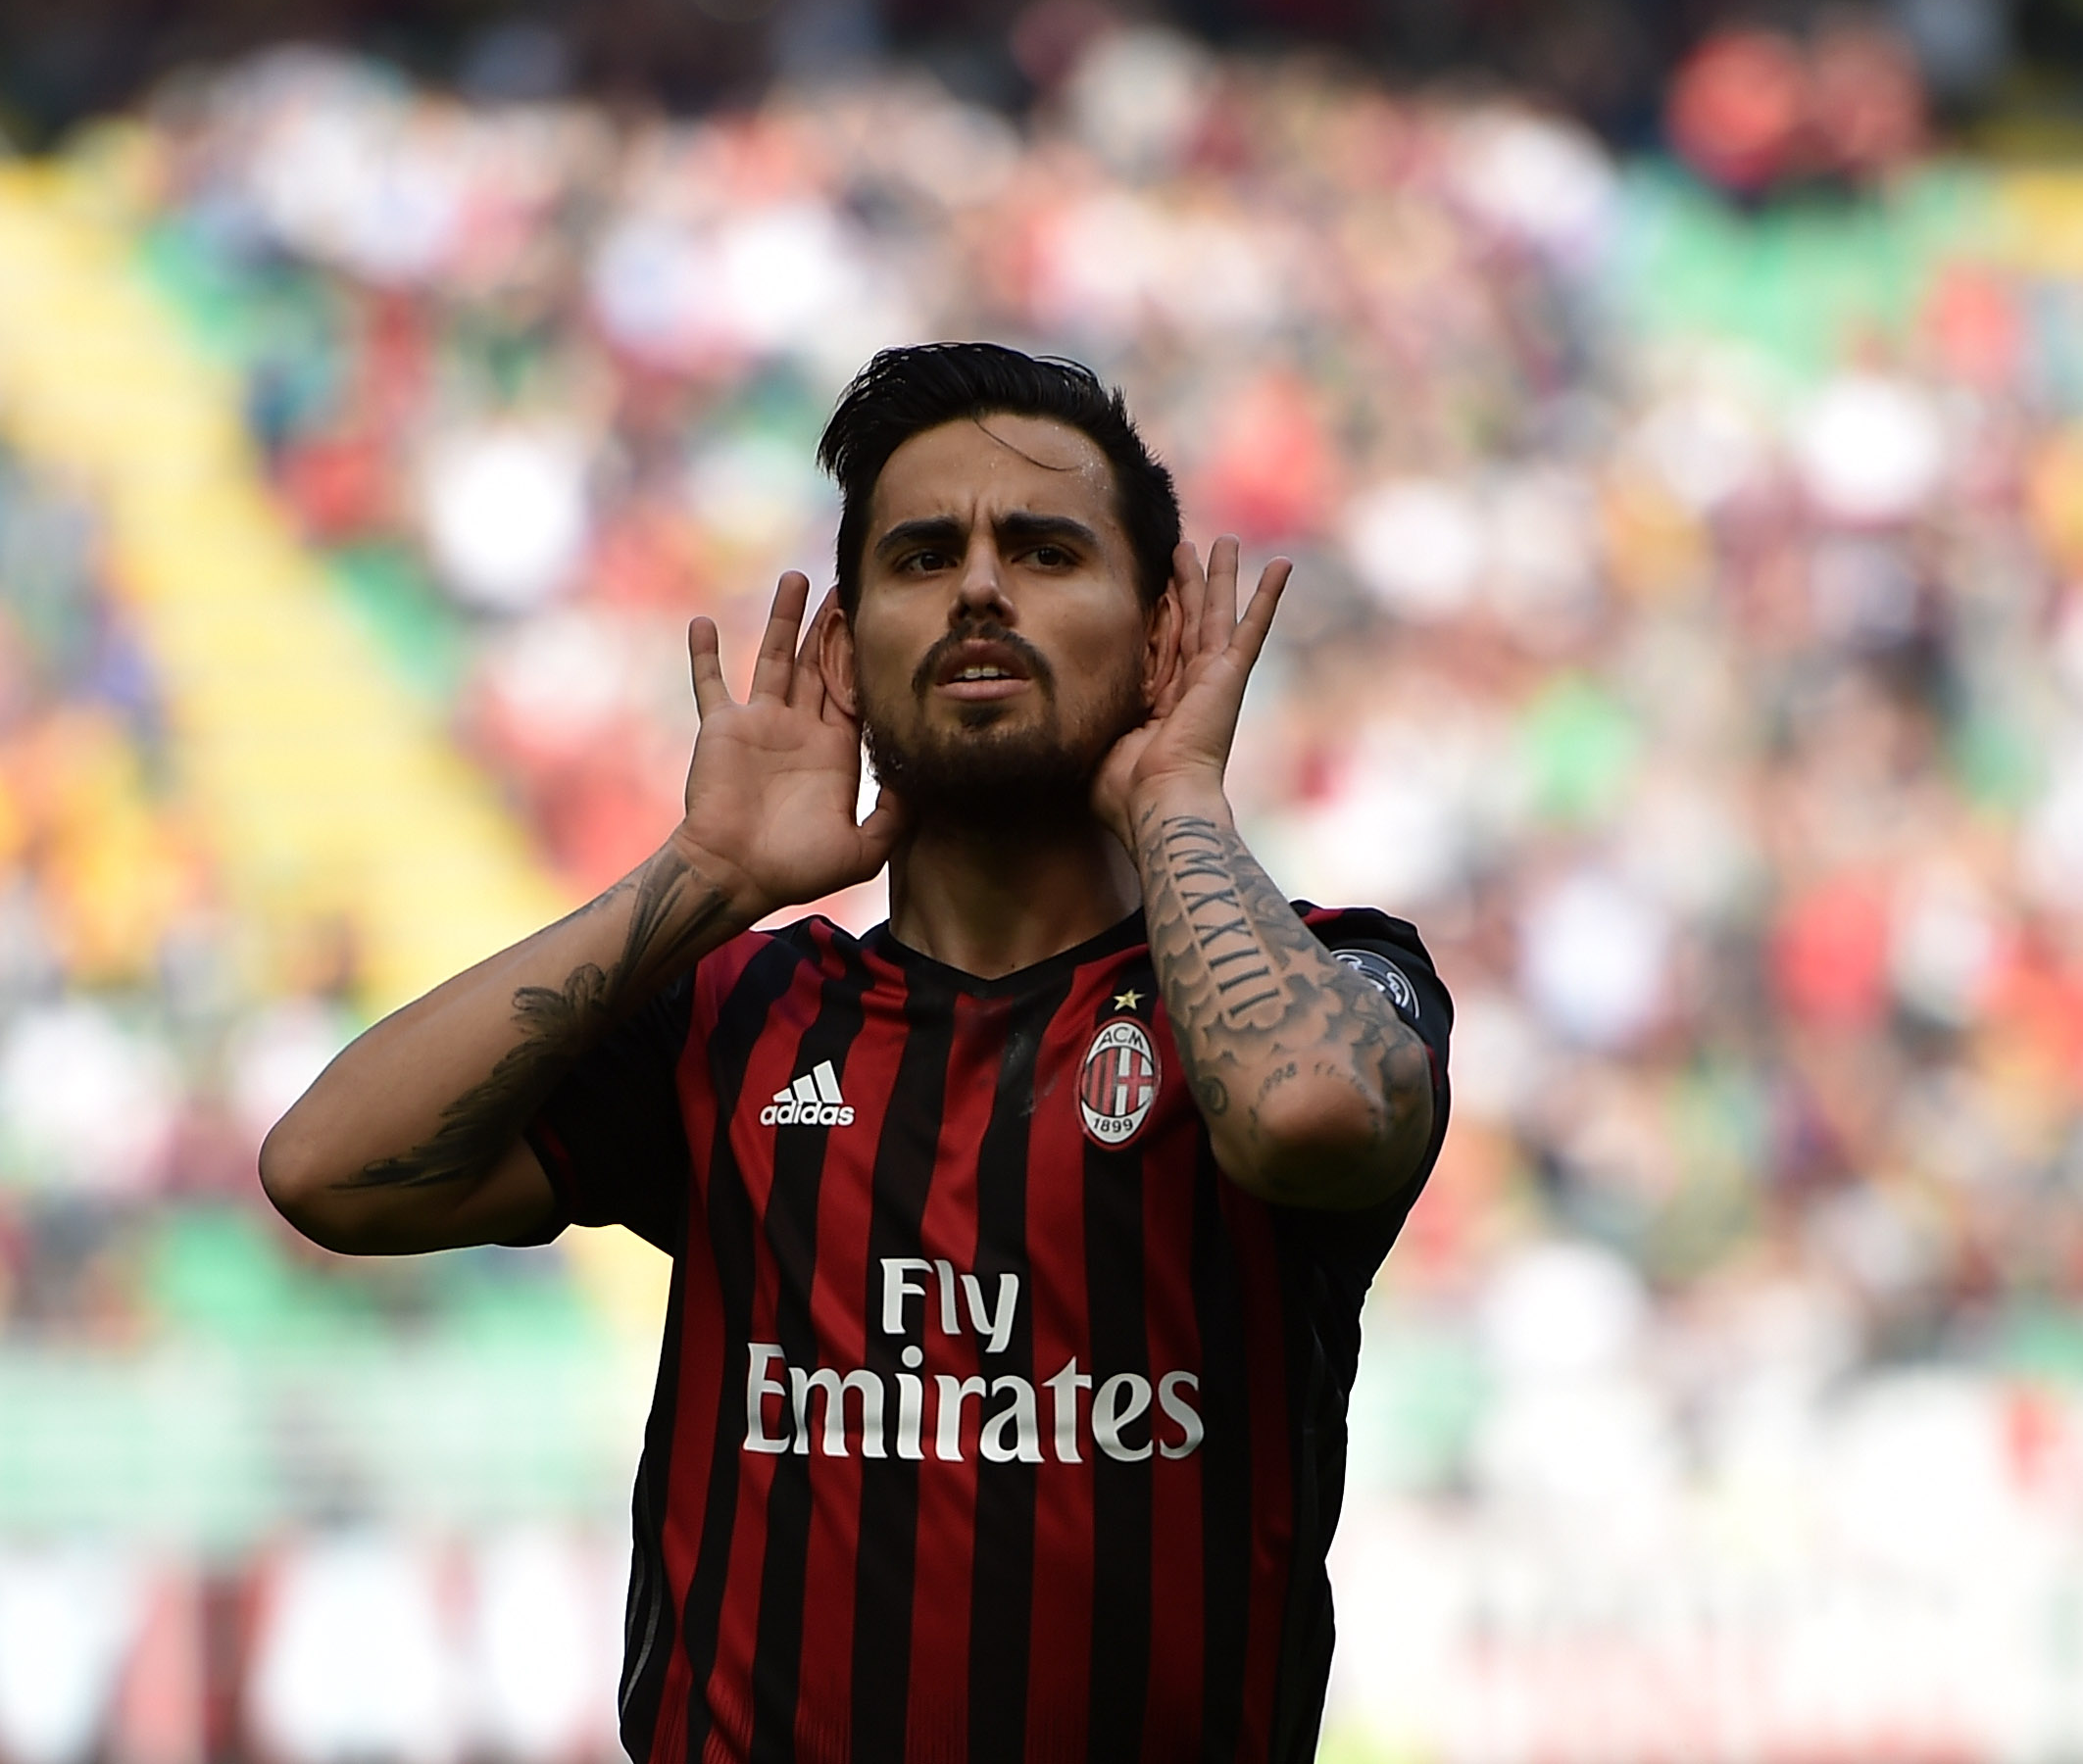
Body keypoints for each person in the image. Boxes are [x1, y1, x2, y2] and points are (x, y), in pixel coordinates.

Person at [259, 343, 1451, 1764]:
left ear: (1159, 640)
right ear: (849, 646)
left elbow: (1307, 1112)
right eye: (922, 555)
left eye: (1048, 549)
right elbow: (328, 1170)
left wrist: (1175, 793)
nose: (981, 588)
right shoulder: (736, 1014)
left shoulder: (1327, 973)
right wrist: (703, 875)